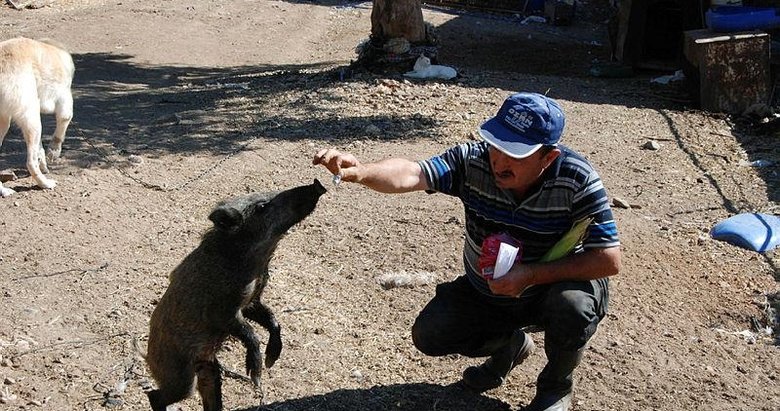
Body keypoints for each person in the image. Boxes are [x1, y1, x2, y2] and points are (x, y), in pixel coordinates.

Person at [312, 92, 621, 411]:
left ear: (548, 158)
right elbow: (412, 173)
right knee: (430, 333)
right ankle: (510, 346)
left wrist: (530, 275)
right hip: (490, 291)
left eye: (514, 153)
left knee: (572, 306)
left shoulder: (577, 179)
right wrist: (361, 172)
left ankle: (556, 387)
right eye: (496, 145)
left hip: (548, 290)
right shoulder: (472, 160)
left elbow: (609, 259)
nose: (499, 160)